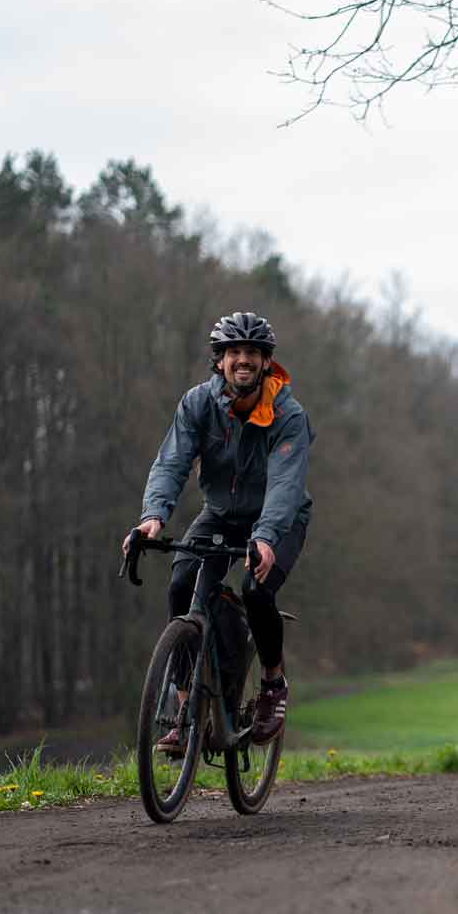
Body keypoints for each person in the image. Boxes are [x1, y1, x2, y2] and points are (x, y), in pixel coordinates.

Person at [123, 311, 314, 747]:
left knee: (256, 589)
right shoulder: (197, 404)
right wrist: (153, 517)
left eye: (252, 353)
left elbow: (285, 485)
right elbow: (171, 462)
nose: (243, 360)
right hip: (221, 515)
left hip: (279, 520)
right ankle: (185, 709)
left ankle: (272, 683)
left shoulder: (288, 414)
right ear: (220, 360)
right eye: (234, 352)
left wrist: (265, 537)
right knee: (181, 584)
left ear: (266, 362)